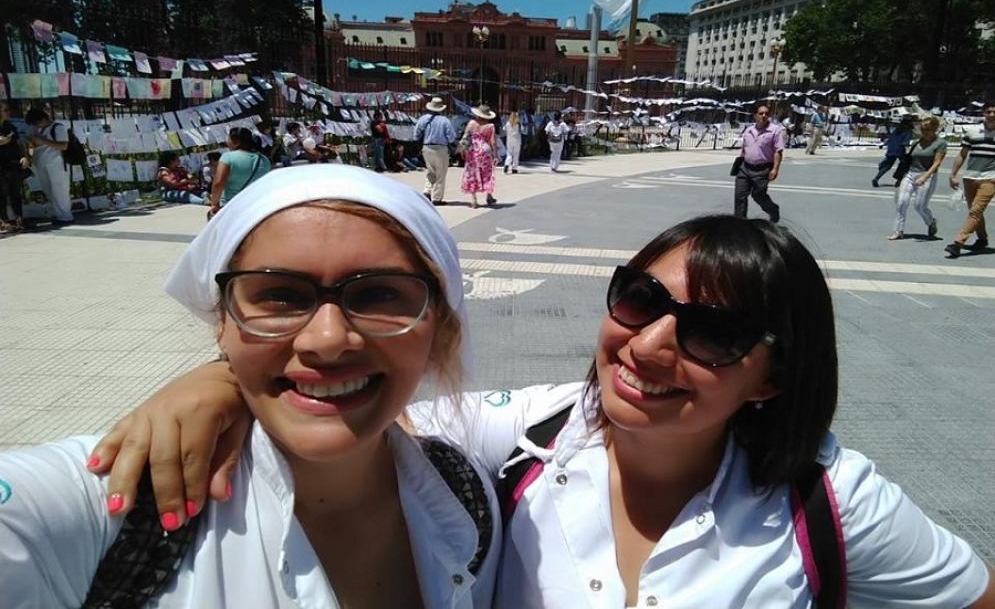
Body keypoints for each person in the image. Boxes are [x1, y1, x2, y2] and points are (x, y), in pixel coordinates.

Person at [87, 215, 994, 608]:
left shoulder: (827, 496)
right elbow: (349, 408)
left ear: (769, 380)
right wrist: (219, 380)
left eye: (711, 332)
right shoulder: (518, 435)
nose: (646, 346)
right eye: (639, 298)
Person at [0, 165, 500, 608]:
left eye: (380, 293)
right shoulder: (113, 503)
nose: (327, 340)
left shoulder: (464, 492)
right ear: (222, 320)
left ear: (440, 324)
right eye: (280, 296)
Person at [946, 101, 995, 258]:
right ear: (984, 113)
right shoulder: (973, 132)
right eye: (989, 111)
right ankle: (982, 239)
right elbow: (962, 154)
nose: (992, 115)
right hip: (970, 177)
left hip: (990, 178)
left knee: (976, 211)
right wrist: (953, 174)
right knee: (974, 211)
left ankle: (958, 243)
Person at [887, 116, 944, 241]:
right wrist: (900, 177)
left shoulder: (940, 144)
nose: (924, 132)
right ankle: (898, 230)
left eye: (927, 129)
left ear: (934, 129)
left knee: (919, 206)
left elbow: (937, 163)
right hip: (910, 173)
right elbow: (908, 160)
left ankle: (930, 222)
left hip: (927, 175)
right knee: (901, 202)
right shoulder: (916, 142)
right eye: (922, 129)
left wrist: (924, 177)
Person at [733, 104, 783, 223]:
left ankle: (773, 209)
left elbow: (778, 151)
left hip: (763, 169)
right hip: (745, 168)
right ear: (755, 116)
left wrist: (775, 169)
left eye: (766, 113)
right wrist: (739, 162)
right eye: (761, 113)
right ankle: (740, 224)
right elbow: (744, 149)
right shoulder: (749, 130)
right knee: (739, 196)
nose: (764, 116)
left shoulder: (775, 130)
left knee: (758, 195)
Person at [24, 108, 73, 225]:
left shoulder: (58, 127)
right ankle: (58, 214)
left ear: (44, 118)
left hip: (56, 163)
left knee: (59, 190)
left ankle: (65, 216)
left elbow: (63, 146)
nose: (36, 125)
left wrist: (41, 140)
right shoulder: (40, 130)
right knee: (49, 189)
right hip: (43, 162)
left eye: (37, 122)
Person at [210, 127, 271, 219]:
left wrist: (214, 203)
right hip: (256, 206)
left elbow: (218, 183)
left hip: (231, 206)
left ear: (236, 142)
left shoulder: (228, 157)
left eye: (228, 138)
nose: (227, 141)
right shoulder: (264, 160)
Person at [413, 96, 457, 206]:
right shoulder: (445, 121)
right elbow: (451, 137)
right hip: (441, 148)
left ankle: (426, 190)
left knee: (431, 171)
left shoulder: (423, 119)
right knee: (440, 174)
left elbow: (415, 135)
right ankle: (437, 198)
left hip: (426, 147)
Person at [460, 105, 499, 209]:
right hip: (485, 150)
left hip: (473, 150)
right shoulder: (491, 126)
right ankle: (489, 195)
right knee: (487, 174)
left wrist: (463, 149)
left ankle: (474, 200)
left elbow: (465, 137)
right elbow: (493, 142)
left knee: (472, 173)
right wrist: (495, 155)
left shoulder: (472, 123)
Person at [0, 103, 29, 232]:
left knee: (15, 192)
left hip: (12, 164)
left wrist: (24, 156)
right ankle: (4, 221)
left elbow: (19, 142)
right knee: (1, 194)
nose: (8, 112)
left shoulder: (10, 126)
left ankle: (18, 218)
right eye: (5, 110)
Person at [872, 117, 915, 187]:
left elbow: (891, 138)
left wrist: (884, 145)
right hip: (900, 149)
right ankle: (899, 179)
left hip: (892, 148)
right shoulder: (908, 131)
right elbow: (905, 143)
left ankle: (876, 178)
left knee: (888, 165)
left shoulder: (897, 129)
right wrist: (908, 152)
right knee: (904, 164)